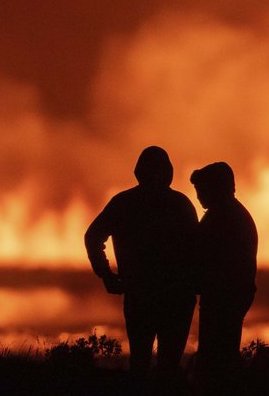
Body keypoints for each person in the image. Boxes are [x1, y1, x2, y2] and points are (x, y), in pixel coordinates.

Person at [84, 146, 197, 381]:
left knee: (140, 362)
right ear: (169, 172)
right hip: (176, 297)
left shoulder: (123, 203)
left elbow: (93, 236)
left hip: (140, 295)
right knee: (169, 365)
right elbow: (197, 250)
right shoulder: (181, 204)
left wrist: (105, 274)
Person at [189, 162, 257, 378]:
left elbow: (207, 254)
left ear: (216, 188)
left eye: (201, 190)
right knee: (221, 353)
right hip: (228, 294)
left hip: (224, 295)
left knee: (215, 356)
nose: (199, 196)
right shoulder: (227, 213)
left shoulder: (224, 217)